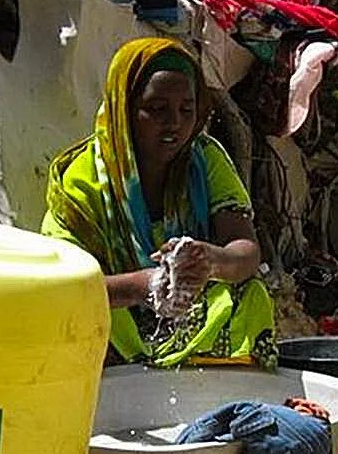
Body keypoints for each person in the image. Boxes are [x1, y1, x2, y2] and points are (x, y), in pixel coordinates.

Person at [42, 37, 277, 369]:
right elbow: (63, 284)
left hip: (190, 306)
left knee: (249, 294)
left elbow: (246, 252)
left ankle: (228, 394)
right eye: (157, 109)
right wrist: (147, 284)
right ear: (125, 108)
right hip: (118, 316)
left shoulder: (205, 159)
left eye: (186, 109)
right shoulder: (84, 180)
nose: (175, 124)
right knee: (77, 316)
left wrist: (209, 261)